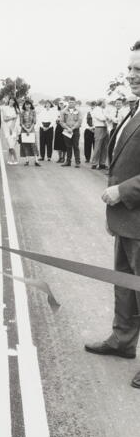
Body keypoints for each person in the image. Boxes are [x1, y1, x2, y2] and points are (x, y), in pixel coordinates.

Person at [84, 39, 140, 390]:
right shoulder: (134, 108)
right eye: (131, 68)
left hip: (134, 211)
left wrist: (123, 190)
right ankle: (122, 340)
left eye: (139, 69)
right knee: (125, 285)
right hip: (128, 221)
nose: (132, 75)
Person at [59, 97, 82, 167]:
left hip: (75, 130)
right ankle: (68, 161)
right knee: (68, 146)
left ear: (75, 103)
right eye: (69, 102)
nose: (71, 103)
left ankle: (77, 162)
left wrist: (73, 128)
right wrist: (67, 128)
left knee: (76, 146)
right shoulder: (63, 111)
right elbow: (61, 122)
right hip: (67, 130)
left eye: (72, 102)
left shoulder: (79, 111)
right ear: (68, 103)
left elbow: (79, 121)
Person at [90, 98, 110, 170]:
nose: (105, 104)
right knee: (98, 146)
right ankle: (94, 163)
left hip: (105, 128)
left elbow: (107, 117)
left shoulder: (103, 110)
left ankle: (102, 163)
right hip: (99, 128)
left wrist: (107, 117)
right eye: (105, 103)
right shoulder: (96, 110)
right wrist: (107, 117)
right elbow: (102, 118)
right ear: (101, 103)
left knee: (105, 147)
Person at [19, 99, 41, 166]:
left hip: (32, 130)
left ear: (30, 105)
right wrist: (26, 129)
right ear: (24, 105)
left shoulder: (33, 112)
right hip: (24, 130)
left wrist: (30, 129)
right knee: (25, 145)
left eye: (28, 104)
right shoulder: (22, 112)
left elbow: (34, 122)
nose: (27, 106)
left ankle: (36, 161)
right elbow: (21, 122)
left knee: (34, 145)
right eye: (26, 104)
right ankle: (27, 161)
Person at [1, 96, 20, 165]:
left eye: (13, 100)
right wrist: (12, 117)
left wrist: (11, 129)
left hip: (13, 128)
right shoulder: (5, 108)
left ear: (15, 102)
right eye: (10, 100)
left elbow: (15, 121)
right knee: (10, 144)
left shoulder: (16, 109)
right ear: (9, 101)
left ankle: (11, 158)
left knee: (11, 145)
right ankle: (14, 158)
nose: (11, 101)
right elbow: (4, 119)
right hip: (6, 128)